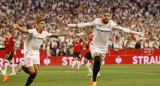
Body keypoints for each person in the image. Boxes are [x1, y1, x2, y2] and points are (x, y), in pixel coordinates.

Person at [60, 10, 145, 86]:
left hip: (104, 48)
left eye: (108, 16)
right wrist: (69, 25)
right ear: (102, 16)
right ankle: (94, 81)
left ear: (110, 17)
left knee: (98, 65)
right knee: (96, 57)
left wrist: (137, 33)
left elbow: (123, 29)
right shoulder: (97, 22)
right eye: (105, 15)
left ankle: (94, 76)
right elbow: (84, 25)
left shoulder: (112, 24)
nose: (107, 17)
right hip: (94, 45)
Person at [12, 20, 74, 86]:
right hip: (28, 52)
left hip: (36, 53)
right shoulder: (33, 31)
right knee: (32, 72)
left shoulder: (45, 33)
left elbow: (56, 34)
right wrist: (17, 27)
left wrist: (67, 34)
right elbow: (24, 30)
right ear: (38, 25)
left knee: (35, 72)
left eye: (44, 23)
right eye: (42, 23)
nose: (43, 25)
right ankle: (21, 66)